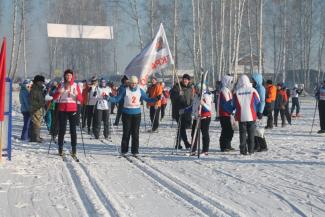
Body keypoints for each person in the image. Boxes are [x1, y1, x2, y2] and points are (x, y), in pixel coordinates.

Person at [109, 76, 158, 156]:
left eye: (135, 83)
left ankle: (135, 151)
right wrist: (109, 98)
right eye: (132, 83)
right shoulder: (125, 90)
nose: (133, 85)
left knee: (135, 133)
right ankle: (124, 150)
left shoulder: (140, 91)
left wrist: (156, 99)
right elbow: (117, 99)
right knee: (126, 132)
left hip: (136, 114)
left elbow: (147, 99)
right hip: (126, 113)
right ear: (129, 83)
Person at [53, 69, 83, 156]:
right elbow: (54, 97)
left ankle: (74, 149)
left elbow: (81, 100)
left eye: (70, 75)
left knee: (73, 130)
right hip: (62, 109)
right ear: (64, 76)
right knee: (62, 130)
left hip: (72, 109)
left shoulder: (75, 85)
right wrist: (59, 93)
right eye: (67, 75)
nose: (68, 77)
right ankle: (60, 148)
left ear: (72, 76)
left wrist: (77, 94)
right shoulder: (61, 85)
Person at [233, 75, 260, 155]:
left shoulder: (236, 92)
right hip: (251, 116)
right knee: (251, 134)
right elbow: (258, 102)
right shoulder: (253, 90)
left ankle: (243, 150)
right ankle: (251, 150)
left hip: (241, 116)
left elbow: (233, 105)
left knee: (242, 134)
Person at [170, 74, 194, 149]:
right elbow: (172, 97)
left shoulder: (190, 88)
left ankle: (178, 144)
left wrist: (192, 108)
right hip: (178, 111)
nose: (185, 80)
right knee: (182, 127)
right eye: (184, 79)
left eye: (186, 79)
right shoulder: (177, 87)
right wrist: (178, 94)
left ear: (189, 80)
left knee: (181, 127)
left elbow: (191, 99)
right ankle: (186, 143)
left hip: (186, 111)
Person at [189, 83, 212, 156]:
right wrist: (185, 110)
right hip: (197, 117)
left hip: (205, 118)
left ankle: (205, 150)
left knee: (204, 133)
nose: (195, 90)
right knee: (194, 134)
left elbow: (209, 108)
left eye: (196, 89)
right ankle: (193, 149)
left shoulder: (206, 96)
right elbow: (194, 106)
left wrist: (203, 104)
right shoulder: (196, 96)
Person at [218, 75, 235, 152]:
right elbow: (224, 104)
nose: (232, 83)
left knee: (230, 130)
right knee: (225, 130)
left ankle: (228, 145)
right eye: (230, 82)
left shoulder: (228, 90)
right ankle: (223, 146)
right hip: (224, 114)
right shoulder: (223, 91)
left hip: (228, 113)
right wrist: (231, 110)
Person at [29, 75, 46, 143]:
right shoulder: (35, 89)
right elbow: (32, 101)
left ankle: (37, 136)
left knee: (38, 123)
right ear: (37, 82)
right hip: (35, 109)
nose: (42, 83)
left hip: (39, 108)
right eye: (41, 82)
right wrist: (41, 104)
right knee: (36, 123)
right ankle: (35, 138)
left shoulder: (39, 89)